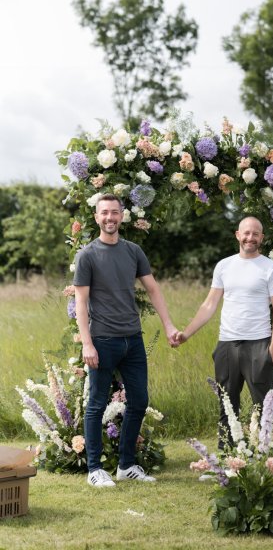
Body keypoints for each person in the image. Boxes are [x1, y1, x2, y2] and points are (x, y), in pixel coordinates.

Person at [73, 193, 178, 487]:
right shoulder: (87, 255)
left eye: (114, 212)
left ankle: (126, 465)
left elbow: (154, 289)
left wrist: (169, 326)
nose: (109, 218)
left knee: (140, 400)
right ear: (96, 217)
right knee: (95, 404)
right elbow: (81, 302)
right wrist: (87, 343)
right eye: (104, 213)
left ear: (122, 216)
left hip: (133, 339)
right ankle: (94, 469)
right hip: (102, 340)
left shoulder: (133, 251)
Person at [175, 216, 273, 448]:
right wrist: (186, 334)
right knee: (227, 406)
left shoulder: (270, 267)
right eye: (246, 233)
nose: (250, 237)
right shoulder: (224, 266)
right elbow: (209, 305)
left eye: (255, 234)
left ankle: (272, 460)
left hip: (259, 344)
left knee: (264, 407)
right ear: (237, 235)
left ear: (261, 238)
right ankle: (228, 460)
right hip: (227, 345)